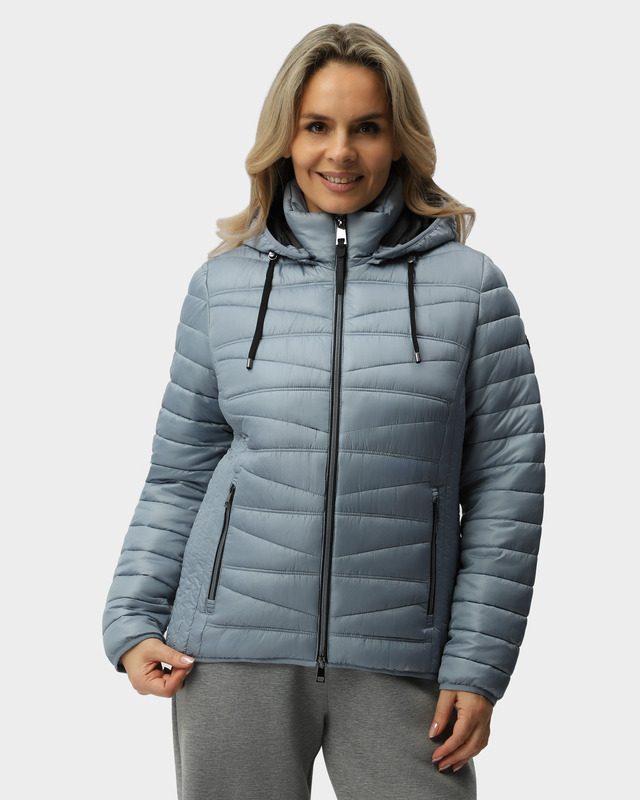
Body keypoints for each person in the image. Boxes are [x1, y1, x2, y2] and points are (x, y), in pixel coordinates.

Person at [103, 22, 544, 800]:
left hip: (403, 654)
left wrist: (479, 663)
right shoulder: (222, 287)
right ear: (285, 138)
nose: (340, 152)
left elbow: (508, 491)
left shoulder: (472, 289)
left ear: (399, 142)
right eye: (317, 126)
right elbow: (179, 473)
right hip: (230, 649)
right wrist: (134, 617)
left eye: (366, 128)